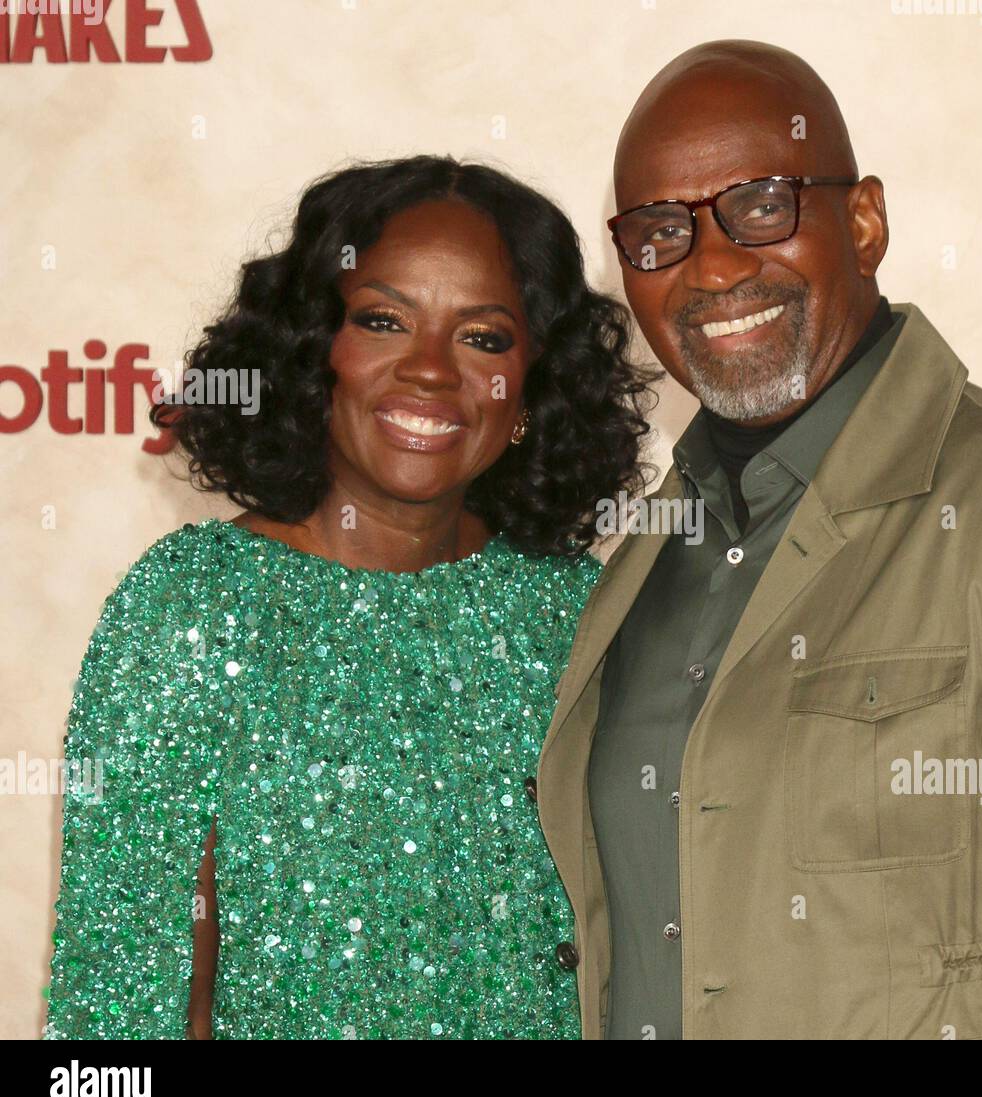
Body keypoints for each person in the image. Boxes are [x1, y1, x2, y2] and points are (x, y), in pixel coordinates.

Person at [536, 40, 982, 1039]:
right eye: (661, 231)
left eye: (761, 204)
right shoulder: (648, 557)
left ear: (862, 222)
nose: (715, 264)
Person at [44, 155, 651, 1039]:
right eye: (383, 321)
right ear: (312, 356)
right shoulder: (193, 611)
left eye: (483, 337)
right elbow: (119, 1008)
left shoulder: (576, 614)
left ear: (530, 389)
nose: (432, 372)